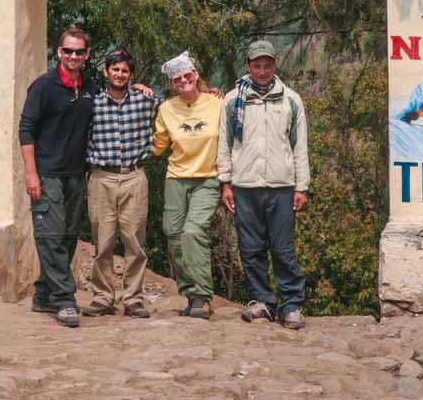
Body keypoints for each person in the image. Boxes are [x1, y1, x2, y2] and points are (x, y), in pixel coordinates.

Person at [217, 40, 310, 330]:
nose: (262, 71)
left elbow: (299, 146)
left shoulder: (290, 100)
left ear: (274, 66)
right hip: (245, 186)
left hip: (282, 186)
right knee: (251, 248)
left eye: (267, 65)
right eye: (256, 65)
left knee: (283, 249)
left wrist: (302, 187)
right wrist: (226, 183)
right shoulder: (234, 100)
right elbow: (224, 143)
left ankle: (292, 304)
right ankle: (263, 302)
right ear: (248, 66)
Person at [19, 26, 103, 328]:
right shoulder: (43, 87)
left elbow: (117, 100)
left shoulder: (91, 89)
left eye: (79, 51)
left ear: (86, 55)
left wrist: (142, 89)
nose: (73, 56)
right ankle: (65, 300)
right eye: (68, 50)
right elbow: (26, 130)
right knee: (50, 237)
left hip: (75, 175)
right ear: (59, 52)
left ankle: (43, 294)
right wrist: (31, 174)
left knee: (67, 238)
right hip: (47, 173)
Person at [81, 47, 156, 319]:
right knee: (103, 240)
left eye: (125, 70)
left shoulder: (145, 100)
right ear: (106, 72)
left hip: (135, 176)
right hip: (101, 177)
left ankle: (133, 298)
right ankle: (103, 297)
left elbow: (183, 100)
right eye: (115, 69)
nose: (120, 74)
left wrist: (214, 93)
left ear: (131, 75)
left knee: (134, 240)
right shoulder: (94, 102)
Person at [152, 51, 223, 319]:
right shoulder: (167, 109)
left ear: (195, 75)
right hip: (176, 177)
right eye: (176, 79)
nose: (183, 81)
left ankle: (203, 297)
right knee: (174, 234)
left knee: (192, 232)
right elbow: (158, 146)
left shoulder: (217, 103)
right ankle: (191, 294)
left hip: (207, 178)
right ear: (172, 83)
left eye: (187, 75)